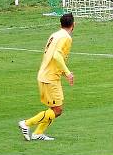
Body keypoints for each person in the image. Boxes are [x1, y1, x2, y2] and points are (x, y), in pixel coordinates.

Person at [18, 13, 75, 141]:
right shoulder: (66, 38)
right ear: (73, 25)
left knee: (54, 108)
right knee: (58, 110)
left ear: (61, 24)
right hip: (50, 78)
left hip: (46, 75)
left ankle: (38, 134)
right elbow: (56, 55)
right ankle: (26, 123)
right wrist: (67, 72)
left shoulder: (55, 34)